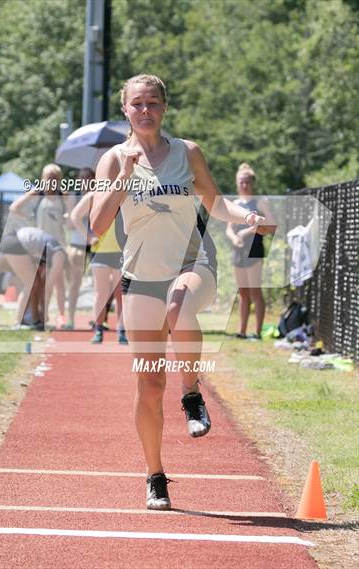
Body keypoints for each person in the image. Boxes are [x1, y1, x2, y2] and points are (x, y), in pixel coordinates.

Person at [90, 74, 267, 510]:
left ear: (164, 108)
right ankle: (155, 476)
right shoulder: (114, 160)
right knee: (149, 386)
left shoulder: (187, 153)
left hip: (193, 265)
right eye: (137, 104)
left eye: (153, 102)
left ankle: (191, 393)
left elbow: (215, 201)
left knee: (180, 303)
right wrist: (124, 178)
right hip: (140, 278)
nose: (145, 110)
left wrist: (244, 216)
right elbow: (95, 227)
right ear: (125, 111)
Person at [9, 164, 67, 328]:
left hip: (56, 246)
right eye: (48, 178)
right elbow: (14, 207)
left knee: (57, 283)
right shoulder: (38, 193)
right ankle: (36, 316)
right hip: (37, 246)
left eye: (54, 178)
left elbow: (69, 219)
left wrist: (66, 217)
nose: (51, 181)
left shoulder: (63, 196)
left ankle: (60, 316)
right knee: (35, 283)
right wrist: (29, 218)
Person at [226, 163, 276, 339]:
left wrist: (247, 231)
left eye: (247, 182)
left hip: (254, 249)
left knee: (255, 292)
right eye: (241, 182)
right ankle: (241, 331)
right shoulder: (235, 203)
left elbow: (271, 225)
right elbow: (229, 228)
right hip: (238, 251)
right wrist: (234, 238)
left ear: (252, 182)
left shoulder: (261, 201)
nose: (244, 185)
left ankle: (257, 333)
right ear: (237, 182)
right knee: (243, 292)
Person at [71, 188, 128, 345]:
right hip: (100, 251)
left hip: (121, 251)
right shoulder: (93, 195)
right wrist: (88, 237)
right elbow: (74, 216)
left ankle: (122, 330)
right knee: (100, 293)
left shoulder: (124, 191)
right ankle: (98, 330)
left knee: (122, 294)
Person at [0, 226, 66, 329]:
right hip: (15, 243)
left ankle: (35, 320)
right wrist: (46, 313)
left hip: (17, 242)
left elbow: (47, 285)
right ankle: (19, 322)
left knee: (35, 284)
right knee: (32, 284)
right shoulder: (59, 255)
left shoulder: (52, 254)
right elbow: (50, 286)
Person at [65, 168, 96, 330]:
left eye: (89, 176)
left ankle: (98, 321)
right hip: (78, 244)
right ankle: (70, 320)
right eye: (82, 177)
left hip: (98, 244)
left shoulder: (100, 194)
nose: (85, 179)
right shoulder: (74, 196)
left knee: (100, 285)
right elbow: (70, 224)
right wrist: (82, 211)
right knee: (75, 283)